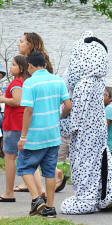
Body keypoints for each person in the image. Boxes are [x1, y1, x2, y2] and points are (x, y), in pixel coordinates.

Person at [60, 32, 112, 214]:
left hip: (85, 132)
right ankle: (109, 192)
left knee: (84, 163)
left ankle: (85, 198)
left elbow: (77, 114)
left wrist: (63, 126)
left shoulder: (84, 84)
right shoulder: (99, 81)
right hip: (99, 130)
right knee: (103, 160)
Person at [17, 51, 71, 217]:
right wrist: (59, 118)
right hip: (53, 135)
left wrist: (23, 136)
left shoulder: (30, 83)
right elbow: (68, 106)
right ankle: (49, 207)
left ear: (31, 66)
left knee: (24, 166)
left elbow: (28, 110)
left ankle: (36, 199)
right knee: (49, 171)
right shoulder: (58, 81)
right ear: (45, 65)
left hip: (34, 135)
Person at [14, 32, 67, 194]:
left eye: (22, 42)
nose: (18, 44)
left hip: (37, 117)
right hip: (44, 118)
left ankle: (38, 188)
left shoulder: (35, 63)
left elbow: (32, 102)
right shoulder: (37, 61)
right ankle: (40, 187)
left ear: (30, 44)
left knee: (28, 151)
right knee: (38, 153)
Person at [0, 55, 29, 202]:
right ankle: (39, 189)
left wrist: (2, 99)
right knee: (26, 156)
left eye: (13, 65)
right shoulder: (25, 82)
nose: (10, 67)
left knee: (10, 157)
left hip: (13, 124)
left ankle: (9, 192)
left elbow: (17, 101)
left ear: (21, 68)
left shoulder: (17, 82)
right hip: (21, 123)